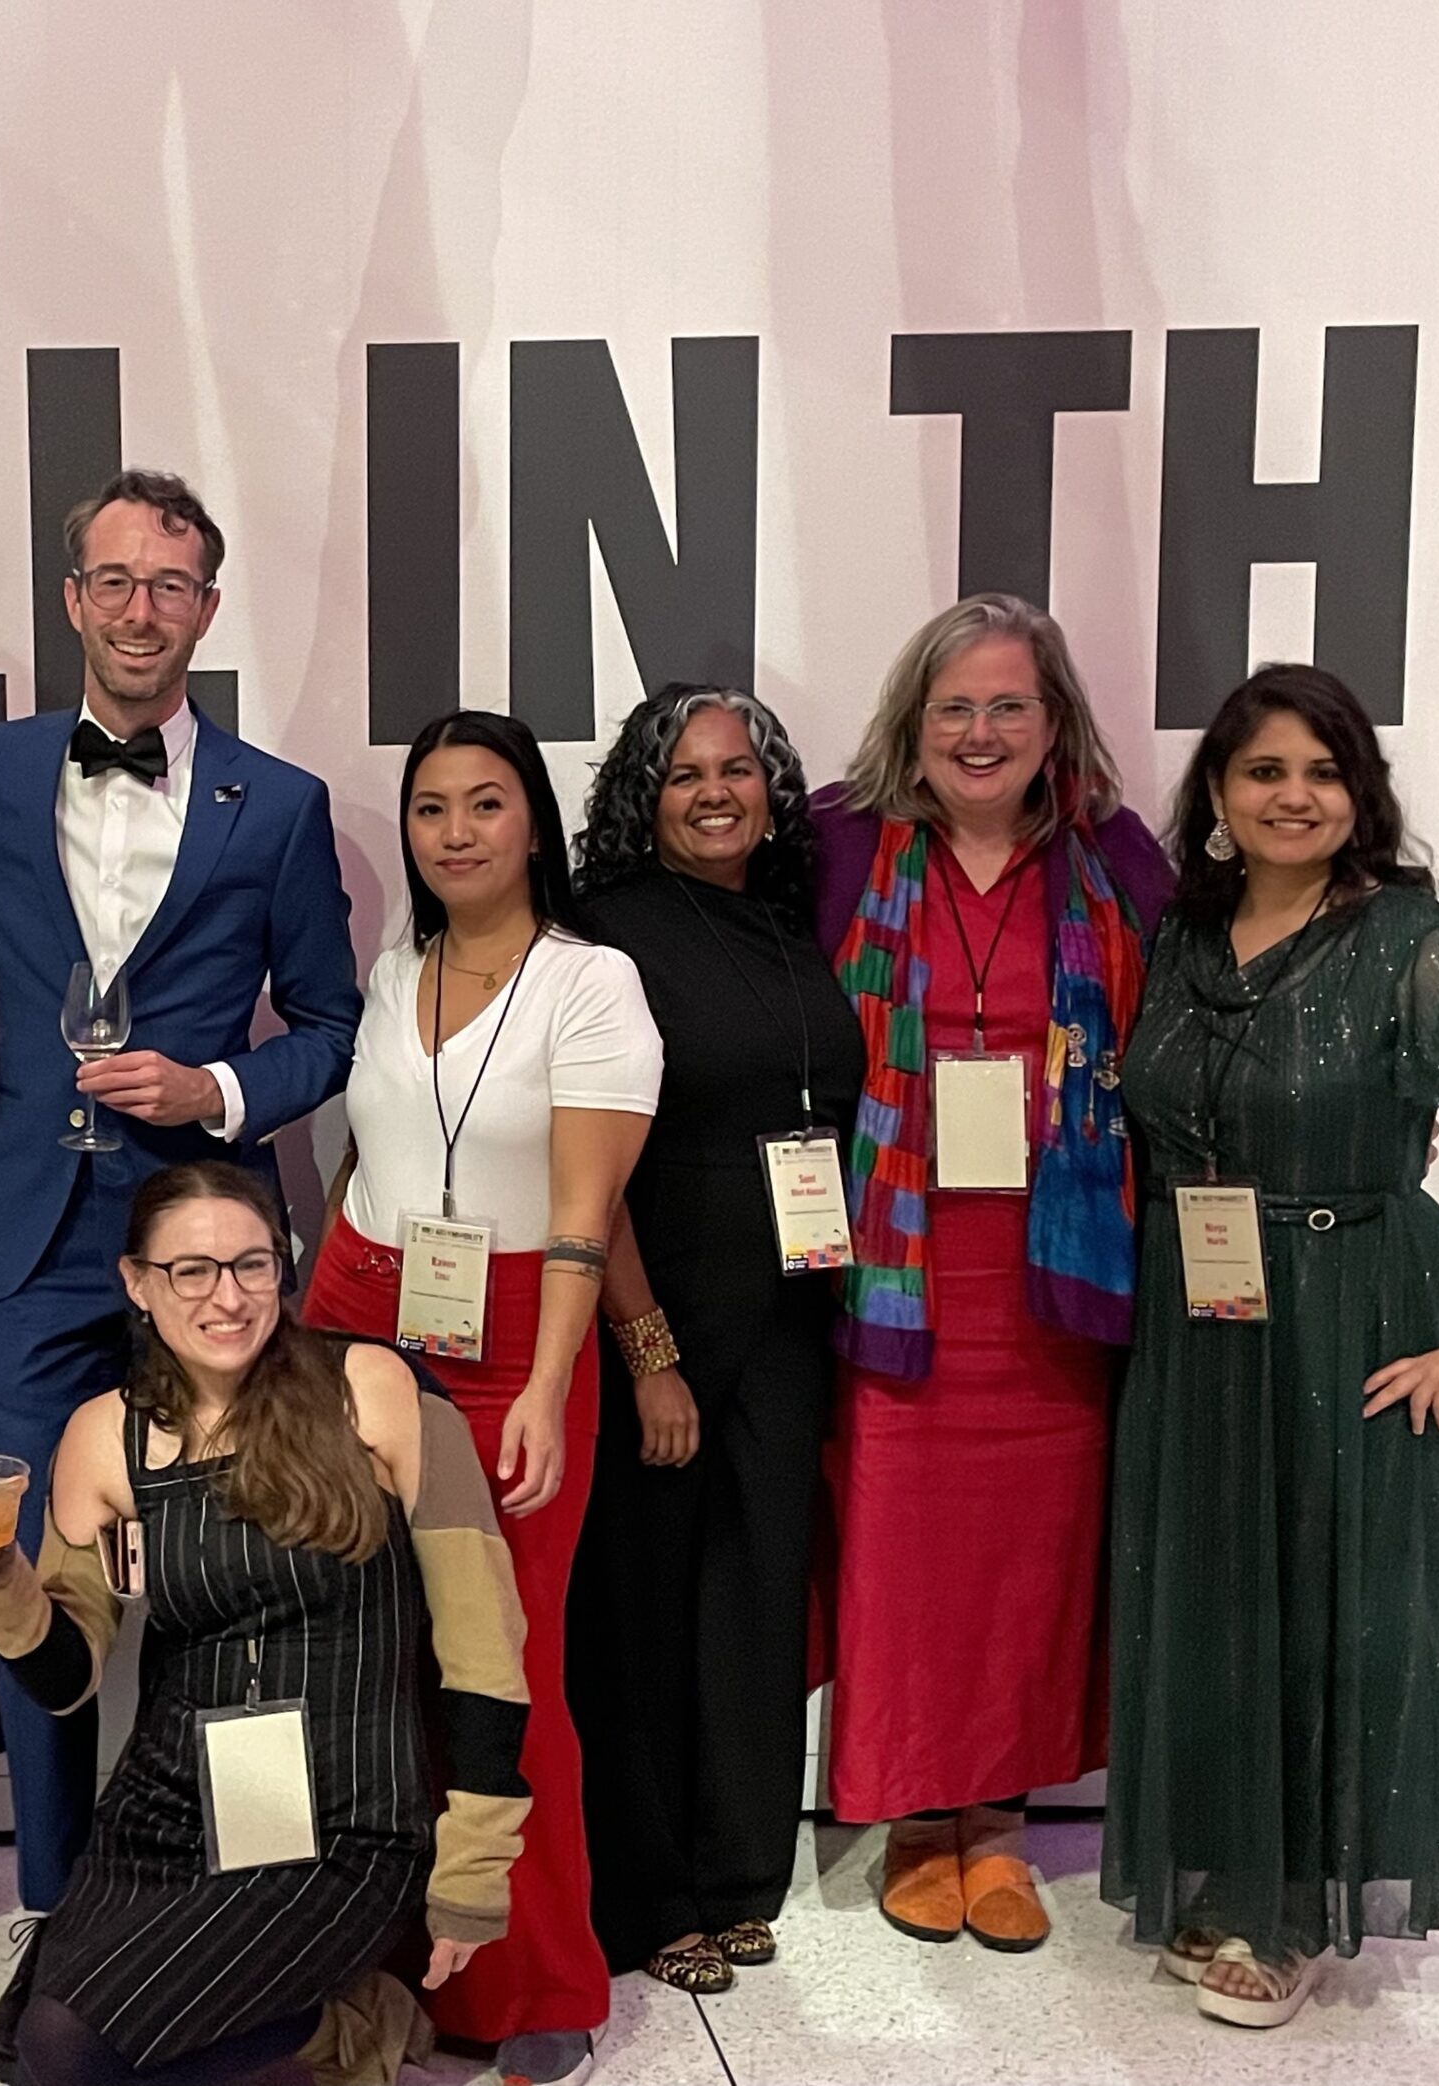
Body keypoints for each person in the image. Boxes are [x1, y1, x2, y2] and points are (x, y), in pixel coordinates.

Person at [0, 470, 362, 2057]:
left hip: (211, 1253)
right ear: (73, 600)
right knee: (35, 1568)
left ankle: (248, 1891)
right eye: (113, 581)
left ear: (208, 608)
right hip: (29, 1241)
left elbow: (332, 1027)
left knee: (242, 1569)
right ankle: (58, 1908)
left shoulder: (284, 803)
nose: (139, 610)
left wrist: (215, 1093)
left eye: (171, 585)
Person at [1103, 665, 1439, 2027]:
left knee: (1329, 1590)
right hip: (1200, 1307)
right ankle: (1231, 1864)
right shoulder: (1177, 937)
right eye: (1264, 771)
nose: (1294, 795)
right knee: (1220, 1591)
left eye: (1322, 772)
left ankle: (1293, 1907)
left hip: (1354, 1296)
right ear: (1217, 796)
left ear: (1360, 795)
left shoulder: (1419, 940)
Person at [0, 1162, 532, 2086]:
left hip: (346, 1818)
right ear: (138, 1283)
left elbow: (483, 1635)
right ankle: (342, 2029)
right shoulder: (104, 1434)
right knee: (21, 2049)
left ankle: (347, 2027)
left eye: (252, 1265)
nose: (228, 1296)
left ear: (282, 1270)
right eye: (192, 1271)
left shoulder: (372, 1389)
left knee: (74, 2054)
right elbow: (63, 1675)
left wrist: (474, 1866)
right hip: (173, 1805)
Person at [812, 594, 1173, 1955]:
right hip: (897, 1272)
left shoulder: (1116, 860)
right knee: (905, 1550)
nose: (981, 730)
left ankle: (1004, 1819)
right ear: (916, 719)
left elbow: (1193, 1022)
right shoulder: (843, 847)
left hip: (1061, 1273)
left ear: (1055, 721)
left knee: (1034, 1556)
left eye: (1009, 704)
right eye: (956, 705)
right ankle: (916, 1813)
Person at [303, 711, 656, 2086]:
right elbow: (367, 1164)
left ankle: (533, 1972)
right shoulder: (396, 973)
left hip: (516, 1335)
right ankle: (375, 1960)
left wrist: (559, 1381)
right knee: (368, 1664)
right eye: (432, 806)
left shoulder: (593, 983)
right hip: (359, 1321)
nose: (454, 831)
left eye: (486, 803)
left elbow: (585, 1215)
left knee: (504, 1671)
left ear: (533, 823)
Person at [563, 685, 865, 1993]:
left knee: (751, 1601)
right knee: (643, 1609)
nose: (716, 792)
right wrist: (647, 1352)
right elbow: (590, 1168)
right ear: (644, 792)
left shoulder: (792, 918)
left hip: (792, 1305)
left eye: (739, 768)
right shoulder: (608, 932)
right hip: (665, 1302)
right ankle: (650, 1892)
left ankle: (741, 1871)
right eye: (684, 773)